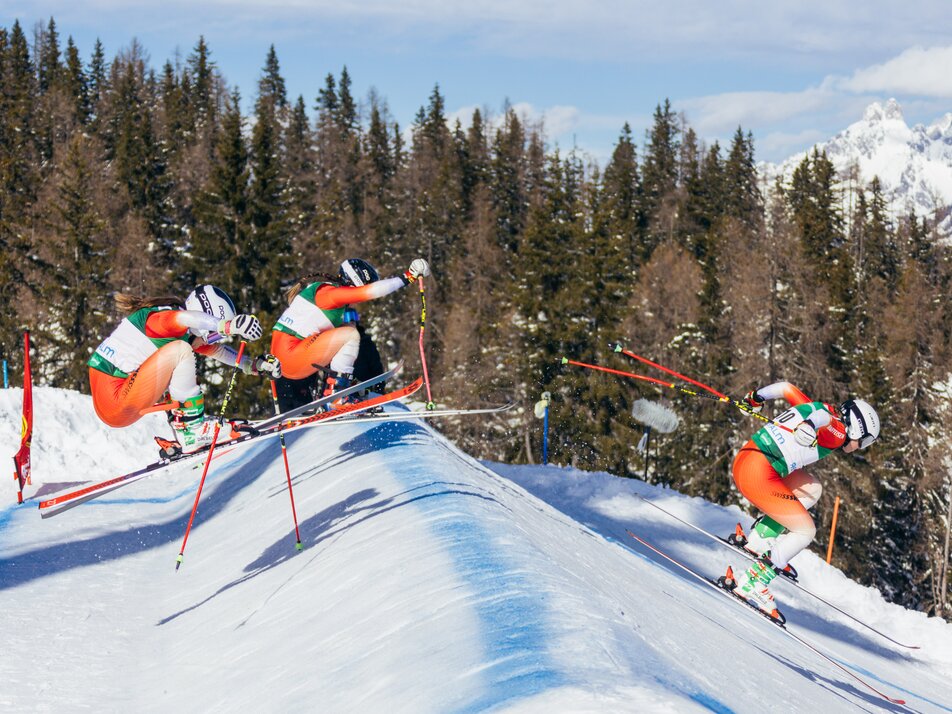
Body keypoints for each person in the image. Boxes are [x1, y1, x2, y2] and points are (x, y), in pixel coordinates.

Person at [721, 382, 880, 620]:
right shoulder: (837, 431)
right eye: (865, 441)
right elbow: (825, 419)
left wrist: (756, 397)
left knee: (812, 489)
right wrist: (810, 424)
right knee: (805, 531)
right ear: (856, 428)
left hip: (748, 459)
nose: (860, 447)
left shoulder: (817, 406)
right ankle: (753, 583)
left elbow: (786, 388)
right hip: (757, 475)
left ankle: (760, 539)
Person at [88, 285, 282, 454]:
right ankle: (192, 430)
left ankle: (185, 428)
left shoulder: (181, 334)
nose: (210, 340)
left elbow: (220, 352)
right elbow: (186, 318)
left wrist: (255, 366)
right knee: (182, 351)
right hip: (115, 400)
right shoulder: (164, 320)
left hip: (117, 399)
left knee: (183, 352)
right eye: (213, 334)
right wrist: (226, 326)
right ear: (205, 317)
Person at [270, 257, 430, 409]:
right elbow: (372, 291)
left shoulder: (325, 293)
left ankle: (340, 387)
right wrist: (408, 277)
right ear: (355, 283)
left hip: (285, 359)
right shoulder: (331, 293)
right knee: (350, 334)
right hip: (291, 356)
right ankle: (338, 394)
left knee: (346, 329)